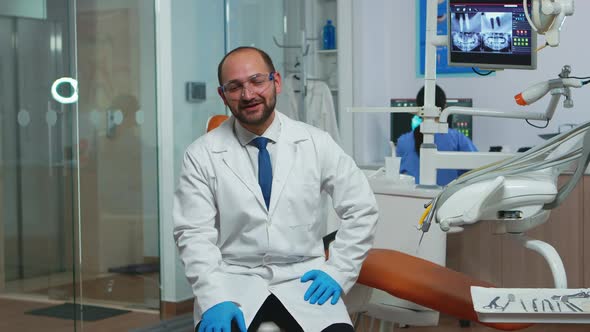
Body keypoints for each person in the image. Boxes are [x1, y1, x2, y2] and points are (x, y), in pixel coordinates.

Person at [173, 46, 379, 332]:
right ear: (223, 95)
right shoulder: (201, 154)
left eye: (257, 81)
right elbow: (193, 233)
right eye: (235, 87)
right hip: (233, 280)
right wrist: (214, 297)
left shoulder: (316, 143)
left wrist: (338, 270)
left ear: (276, 82)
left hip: (303, 279)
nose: (248, 95)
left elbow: (362, 208)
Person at [396, 85, 477, 186]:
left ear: (418, 108)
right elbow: (477, 171)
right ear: (445, 107)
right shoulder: (457, 139)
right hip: (446, 199)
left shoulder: (403, 142)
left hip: (413, 199)